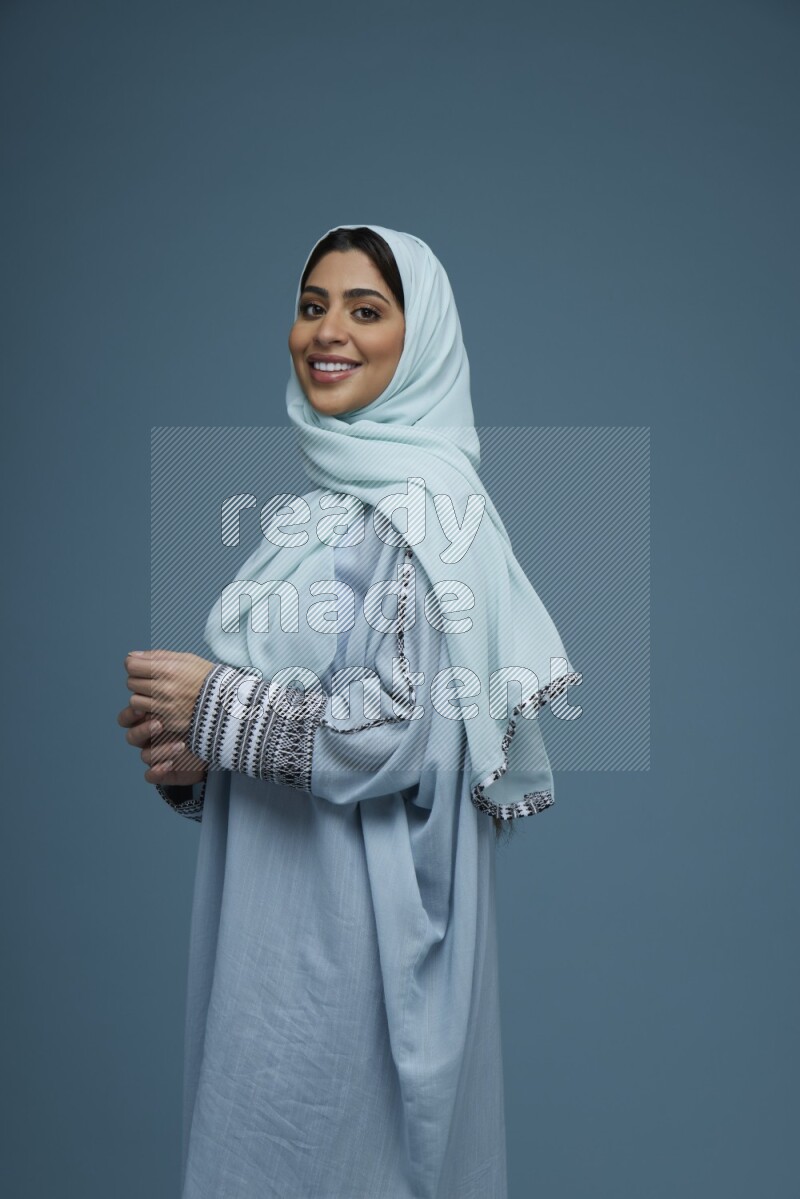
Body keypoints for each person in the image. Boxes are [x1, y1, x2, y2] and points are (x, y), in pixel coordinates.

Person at [118, 224, 580, 1199]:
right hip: (281, 919)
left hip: (355, 946)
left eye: (365, 309)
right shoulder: (327, 509)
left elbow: (403, 730)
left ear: (422, 340)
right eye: (311, 304)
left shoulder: (419, 513)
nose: (326, 331)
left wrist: (214, 701)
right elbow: (321, 711)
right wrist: (198, 754)